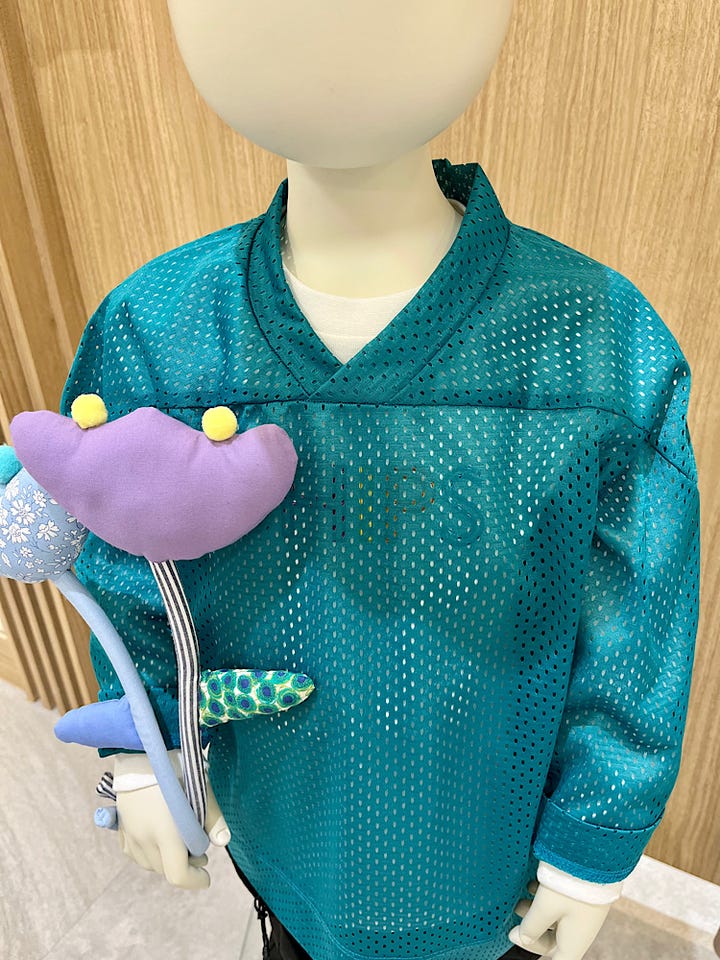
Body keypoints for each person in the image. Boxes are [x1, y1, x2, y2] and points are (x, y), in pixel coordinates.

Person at [59, 2, 701, 959]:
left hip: (493, 866)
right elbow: (123, 563)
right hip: (280, 839)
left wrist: (593, 842)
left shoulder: (595, 341)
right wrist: (143, 744)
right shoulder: (159, 328)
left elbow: (635, 629)